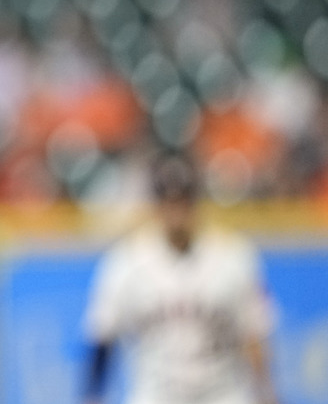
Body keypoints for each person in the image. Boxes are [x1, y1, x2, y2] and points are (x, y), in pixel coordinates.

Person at [81, 151, 280, 404]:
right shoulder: (124, 262)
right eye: (167, 199)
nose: (176, 210)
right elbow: (102, 337)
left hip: (223, 394)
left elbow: (254, 334)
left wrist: (267, 394)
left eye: (183, 199)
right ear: (155, 203)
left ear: (196, 200)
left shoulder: (235, 256)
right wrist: (92, 396)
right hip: (156, 395)